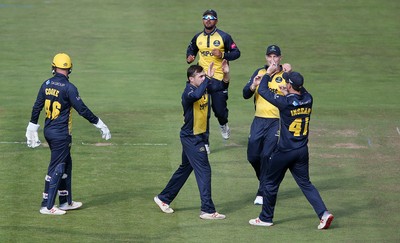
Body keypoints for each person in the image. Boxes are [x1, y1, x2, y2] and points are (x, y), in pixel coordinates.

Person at [248, 65, 334, 229]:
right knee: (306, 184)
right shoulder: (309, 98)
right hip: (302, 151)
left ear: (289, 86)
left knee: (270, 184)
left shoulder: (285, 103)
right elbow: (298, 93)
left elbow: (265, 91)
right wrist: (289, 84)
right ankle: (324, 214)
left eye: (287, 82)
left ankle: (265, 218)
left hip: (284, 152)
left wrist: (267, 74)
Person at [26, 53, 111, 215]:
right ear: (70, 68)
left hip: (49, 131)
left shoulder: (46, 84)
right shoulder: (69, 88)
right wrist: (98, 123)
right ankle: (47, 205)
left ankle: (65, 201)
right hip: (61, 135)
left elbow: (37, 106)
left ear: (53, 67)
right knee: (56, 168)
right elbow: (82, 109)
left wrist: (32, 126)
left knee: (66, 166)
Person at [154, 60, 231, 220]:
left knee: (185, 169)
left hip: (198, 136)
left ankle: (163, 198)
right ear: (191, 79)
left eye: (204, 76)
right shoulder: (188, 92)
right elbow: (197, 96)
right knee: (204, 170)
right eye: (200, 76)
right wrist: (208, 79)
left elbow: (222, 87)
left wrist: (225, 73)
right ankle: (207, 210)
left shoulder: (204, 86)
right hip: (192, 138)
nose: (203, 78)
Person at [186, 9, 241, 154]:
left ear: (216, 21)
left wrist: (223, 54)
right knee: (204, 113)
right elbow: (191, 48)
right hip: (202, 79)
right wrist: (190, 57)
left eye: (211, 18)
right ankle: (205, 143)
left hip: (219, 79)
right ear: (202, 20)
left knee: (219, 111)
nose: (208, 20)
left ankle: (223, 124)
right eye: (205, 17)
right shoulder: (198, 37)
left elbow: (237, 53)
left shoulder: (224, 37)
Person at [243, 44, 291, 205]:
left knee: (266, 156)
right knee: (252, 156)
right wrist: (253, 86)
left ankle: (262, 191)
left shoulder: (286, 75)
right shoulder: (259, 73)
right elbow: (245, 94)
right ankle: (265, 181)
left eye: (275, 56)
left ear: (280, 58)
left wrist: (290, 74)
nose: (272, 59)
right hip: (258, 120)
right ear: (266, 58)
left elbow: (296, 96)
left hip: (276, 122)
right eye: (269, 56)